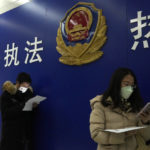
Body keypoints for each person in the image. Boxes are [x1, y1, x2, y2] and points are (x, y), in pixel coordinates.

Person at [89, 68, 150, 150]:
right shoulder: (101, 104)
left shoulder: (135, 105)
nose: (130, 89)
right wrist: (123, 135)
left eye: (132, 85)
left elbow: (147, 138)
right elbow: (96, 134)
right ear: (116, 83)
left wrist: (145, 122)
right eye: (126, 84)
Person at [0, 72, 38, 150]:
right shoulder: (7, 94)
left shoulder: (27, 93)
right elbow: (6, 114)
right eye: (23, 86)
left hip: (24, 137)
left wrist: (34, 106)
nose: (25, 89)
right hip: (10, 137)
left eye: (27, 86)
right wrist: (24, 105)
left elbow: (31, 113)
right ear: (17, 83)